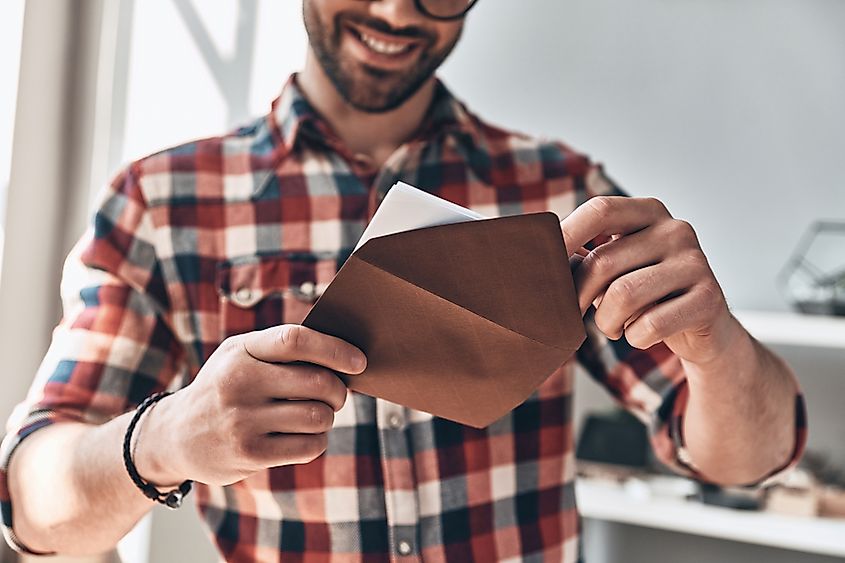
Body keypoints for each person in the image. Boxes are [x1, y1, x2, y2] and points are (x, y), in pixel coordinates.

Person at [1, 0, 805, 560]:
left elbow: (745, 459)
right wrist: (168, 437)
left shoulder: (560, 191)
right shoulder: (160, 202)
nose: (396, 13)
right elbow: (31, 505)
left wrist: (715, 345)